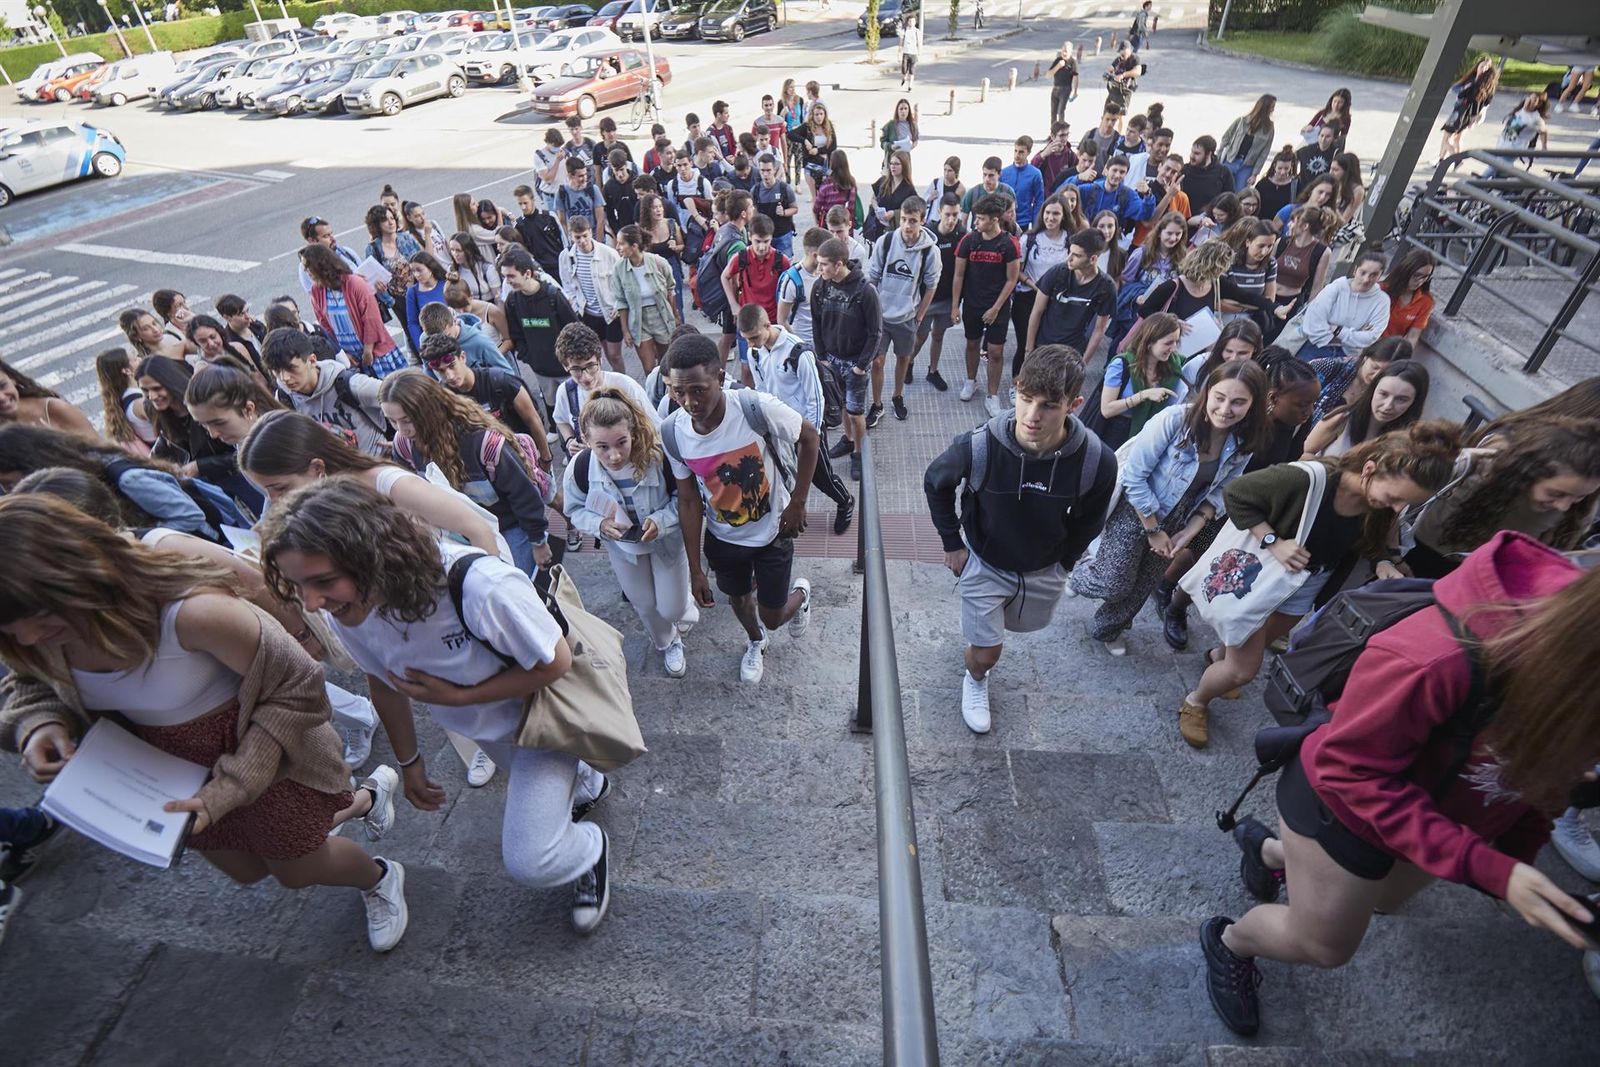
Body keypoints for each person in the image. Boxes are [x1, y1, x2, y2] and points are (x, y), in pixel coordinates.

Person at [1203, 532, 1600, 1037]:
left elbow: (1547, 773)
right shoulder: (1441, 654)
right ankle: (1231, 940)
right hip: (1346, 807)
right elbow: (1350, 770)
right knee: (1324, 945)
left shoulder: (1581, 677)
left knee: (1382, 900)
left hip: (1430, 822)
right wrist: (1490, 869)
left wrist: (1515, 857)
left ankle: (1276, 854)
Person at [0, 494, 408, 953]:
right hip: (171, 779)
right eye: (12, 629)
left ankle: (378, 877)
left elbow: (298, 689)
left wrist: (230, 788)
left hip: (262, 761)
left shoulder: (192, 611)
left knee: (298, 869)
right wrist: (37, 723)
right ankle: (365, 798)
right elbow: (29, 682)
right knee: (249, 869)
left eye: (41, 616)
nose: (30, 638)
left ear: (79, 571)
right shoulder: (31, 633)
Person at [258, 480, 612, 934]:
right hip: (491, 729)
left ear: (371, 554)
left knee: (531, 861)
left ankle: (589, 850)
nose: (312, 603)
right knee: (559, 790)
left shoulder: (478, 586)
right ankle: (586, 786)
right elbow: (383, 684)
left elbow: (556, 661)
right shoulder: (348, 610)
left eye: (324, 581)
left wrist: (458, 697)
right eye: (298, 584)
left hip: (543, 725)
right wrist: (409, 763)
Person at [1176, 420, 1460, 747]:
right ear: (1370, 469)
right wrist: (1272, 540)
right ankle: (1196, 701)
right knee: (1244, 671)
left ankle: (1218, 657)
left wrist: (1383, 560)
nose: (1396, 508)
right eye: (1394, 497)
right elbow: (1237, 493)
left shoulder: (1378, 504)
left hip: (1305, 585)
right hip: (1267, 577)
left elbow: (1373, 539)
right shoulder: (1308, 477)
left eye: (1404, 503)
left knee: (1255, 641)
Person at [924, 345, 1118, 733]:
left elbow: (1091, 518)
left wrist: (1065, 563)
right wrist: (952, 543)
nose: (1031, 415)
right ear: (1016, 389)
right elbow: (935, 481)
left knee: (1025, 626)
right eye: (1025, 398)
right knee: (988, 652)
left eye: (1048, 405)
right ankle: (976, 678)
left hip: (1043, 568)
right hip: (984, 562)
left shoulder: (1097, 461)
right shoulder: (979, 446)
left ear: (1074, 404)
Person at [1073, 361, 1268, 654]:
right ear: (1207, 392)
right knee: (1115, 582)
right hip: (1137, 508)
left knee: (1143, 584)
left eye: (1238, 402)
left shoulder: (1242, 442)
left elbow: (1221, 493)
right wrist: (1152, 529)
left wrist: (1189, 531)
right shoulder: (1174, 420)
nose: (1226, 408)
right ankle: (1082, 575)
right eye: (1220, 397)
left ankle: (1109, 628)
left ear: (1252, 405)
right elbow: (1135, 476)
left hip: (1183, 517)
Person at [660, 332, 821, 685]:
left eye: (698, 390)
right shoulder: (673, 432)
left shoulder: (755, 407)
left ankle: (801, 595)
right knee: (737, 599)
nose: (689, 402)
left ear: (719, 378)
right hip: (724, 538)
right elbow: (688, 500)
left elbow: (810, 437)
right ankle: (754, 640)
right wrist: (696, 570)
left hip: (773, 531)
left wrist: (798, 502)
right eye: (678, 391)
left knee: (774, 615)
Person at [1156, 348, 1322, 649]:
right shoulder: (1255, 430)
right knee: (1200, 556)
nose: (1308, 410)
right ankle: (1171, 598)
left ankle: (1174, 597)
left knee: (1216, 563)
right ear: (1272, 399)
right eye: (1301, 404)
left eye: (1312, 404)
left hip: (1258, 510)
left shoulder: (1298, 424)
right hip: (1227, 506)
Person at [560, 386, 698, 679]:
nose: (614, 456)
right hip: (624, 549)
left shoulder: (659, 457)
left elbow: (686, 500)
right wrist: (599, 525)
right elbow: (573, 509)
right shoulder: (580, 468)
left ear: (633, 431)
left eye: (621, 443)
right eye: (603, 447)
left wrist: (660, 521)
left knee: (673, 608)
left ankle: (682, 603)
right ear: (587, 440)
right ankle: (668, 643)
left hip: (664, 542)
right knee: (645, 605)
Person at [380, 370, 553, 577]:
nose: (401, 429)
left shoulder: (484, 443)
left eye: (407, 420)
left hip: (508, 528)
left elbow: (524, 495)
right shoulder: (403, 446)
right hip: (455, 535)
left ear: (428, 409)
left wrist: (538, 542)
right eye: (392, 421)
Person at [1403, 415, 1600, 580]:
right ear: (1530, 472)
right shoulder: (1476, 468)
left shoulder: (1580, 511)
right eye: (1555, 494)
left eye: (1578, 497)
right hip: (1422, 555)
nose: (1564, 506)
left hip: (1484, 578)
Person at [739, 304, 855, 534]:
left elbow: (816, 398)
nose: (750, 344)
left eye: (753, 337)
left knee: (822, 478)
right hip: (777, 427)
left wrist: (814, 436)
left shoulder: (799, 352)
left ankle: (845, 501)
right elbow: (761, 389)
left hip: (806, 429)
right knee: (784, 474)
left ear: (767, 325)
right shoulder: (755, 352)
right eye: (746, 339)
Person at [137, 356, 264, 519]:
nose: (152, 396)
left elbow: (242, 450)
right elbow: (166, 440)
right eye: (145, 390)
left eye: (157, 388)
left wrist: (200, 466)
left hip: (236, 472)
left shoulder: (203, 403)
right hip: (208, 482)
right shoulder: (154, 410)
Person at [812, 237, 883, 480]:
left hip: (855, 363)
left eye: (823, 264)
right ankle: (849, 439)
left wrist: (861, 367)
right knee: (842, 405)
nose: (818, 268)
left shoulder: (865, 290)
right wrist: (822, 357)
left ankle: (859, 454)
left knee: (856, 412)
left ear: (839, 264)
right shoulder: (820, 286)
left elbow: (876, 333)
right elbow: (816, 322)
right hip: (831, 360)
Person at [866, 197, 941, 424]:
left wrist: (919, 316)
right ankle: (877, 404)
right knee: (877, 362)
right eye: (905, 220)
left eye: (913, 221)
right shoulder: (886, 241)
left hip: (907, 318)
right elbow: (872, 279)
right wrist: (871, 312)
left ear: (923, 221)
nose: (908, 226)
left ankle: (897, 396)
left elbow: (931, 285)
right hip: (881, 317)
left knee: (903, 360)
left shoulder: (930, 252)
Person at [261, 327, 389, 459]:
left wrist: (401, 443)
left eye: (291, 368)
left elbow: (401, 392)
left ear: (311, 360)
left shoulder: (350, 384)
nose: (284, 378)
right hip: (340, 475)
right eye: (276, 371)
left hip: (376, 464)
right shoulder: (284, 398)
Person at [951, 195, 1023, 417]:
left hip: (997, 307)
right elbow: (959, 274)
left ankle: (992, 396)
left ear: (994, 220)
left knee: (996, 352)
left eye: (980, 219)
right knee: (971, 344)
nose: (975, 223)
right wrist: (955, 306)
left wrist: (995, 308)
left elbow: (1012, 279)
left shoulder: (1008, 244)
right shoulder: (968, 241)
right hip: (972, 304)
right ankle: (970, 381)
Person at [422, 333, 552, 457]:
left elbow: (534, 420)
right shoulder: (444, 398)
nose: (449, 375)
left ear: (462, 357)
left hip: (526, 452)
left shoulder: (499, 381)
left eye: (452, 366)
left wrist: (545, 458)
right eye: (440, 371)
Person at [552, 323, 659, 469]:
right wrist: (569, 440)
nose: (586, 377)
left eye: (590, 366)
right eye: (576, 369)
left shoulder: (625, 385)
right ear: (565, 366)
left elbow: (654, 427)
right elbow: (561, 420)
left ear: (600, 359)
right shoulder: (565, 392)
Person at [301, 244, 404, 379]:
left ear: (321, 264)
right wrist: (343, 354)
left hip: (376, 353)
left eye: (308, 266)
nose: (305, 271)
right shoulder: (317, 291)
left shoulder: (354, 283)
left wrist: (368, 349)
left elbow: (371, 318)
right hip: (351, 359)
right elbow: (324, 324)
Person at [1026, 227, 1115, 371]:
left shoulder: (1106, 286)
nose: (1069, 258)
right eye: (1069, 252)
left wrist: (1083, 363)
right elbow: (1037, 311)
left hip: (1072, 353)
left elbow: (1099, 330)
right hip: (1042, 347)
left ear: (1093, 259)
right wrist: (1028, 350)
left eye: (1076, 255)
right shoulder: (1057, 273)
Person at [1302, 360, 1429, 458]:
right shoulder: (1341, 418)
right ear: (1373, 390)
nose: (1388, 405)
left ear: (1415, 402)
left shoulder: (1409, 443)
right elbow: (1304, 454)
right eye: (1383, 394)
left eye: (1401, 399)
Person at [907, 196, 966, 393]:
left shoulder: (961, 234)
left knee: (938, 335)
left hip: (948, 298)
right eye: (948, 214)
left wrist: (956, 304)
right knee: (920, 336)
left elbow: (961, 273)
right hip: (926, 298)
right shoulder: (927, 234)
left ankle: (933, 371)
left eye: (955, 215)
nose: (951, 219)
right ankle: (908, 362)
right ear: (939, 212)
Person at [557, 217, 624, 374]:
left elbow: (623, 281)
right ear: (570, 236)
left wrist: (618, 304)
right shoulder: (566, 257)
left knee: (614, 355)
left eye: (585, 236)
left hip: (610, 313)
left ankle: (622, 382)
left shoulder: (608, 253)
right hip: (587, 314)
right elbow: (567, 285)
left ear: (591, 232)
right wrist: (574, 305)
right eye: (577, 237)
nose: (582, 241)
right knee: (596, 355)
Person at [1295, 249, 1390, 360]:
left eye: (1373, 275)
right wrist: (1355, 335)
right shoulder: (1336, 288)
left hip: (1347, 355)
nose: (1366, 279)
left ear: (1380, 276)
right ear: (1355, 270)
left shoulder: (1382, 301)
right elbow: (1313, 323)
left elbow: (1370, 337)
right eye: (1363, 273)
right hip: (1315, 347)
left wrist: (1335, 329)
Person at [611, 224, 681, 376]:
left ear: (634, 246)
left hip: (661, 315)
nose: (617, 247)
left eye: (621, 243)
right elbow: (621, 301)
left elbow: (670, 289)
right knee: (649, 368)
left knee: (666, 365)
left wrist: (675, 316)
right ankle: (653, 394)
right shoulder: (619, 268)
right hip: (638, 319)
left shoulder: (658, 262)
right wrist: (625, 331)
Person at [1306, 336, 1412, 427]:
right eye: (1374, 367)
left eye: (1384, 373)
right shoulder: (1330, 366)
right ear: (1366, 358)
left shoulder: (1386, 394)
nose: (1376, 376)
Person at [0, 358, 97, 442]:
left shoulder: (54, 409)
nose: (2, 397)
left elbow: (104, 456)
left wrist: (58, 444)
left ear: (12, 380)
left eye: (3, 385)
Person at [1271, 206, 1332, 328]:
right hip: (1270, 298)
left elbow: (1316, 287)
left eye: (1293, 221)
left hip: (1291, 302)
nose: (1289, 225)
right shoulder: (1282, 242)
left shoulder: (1322, 252)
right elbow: (1266, 270)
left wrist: (1308, 315)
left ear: (1305, 226)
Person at [417, 301, 516, 377]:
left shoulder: (479, 341)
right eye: (436, 340)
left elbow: (507, 373)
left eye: (447, 336)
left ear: (454, 321)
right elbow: (429, 370)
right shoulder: (425, 341)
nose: (443, 343)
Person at [94, 347, 157, 455]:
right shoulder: (139, 403)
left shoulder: (121, 400)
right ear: (127, 371)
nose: (141, 359)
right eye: (136, 358)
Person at [1439, 56, 1500, 161]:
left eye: (1486, 67)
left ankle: (1454, 159)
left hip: (1462, 113)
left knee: (1448, 138)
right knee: (1456, 138)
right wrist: (1465, 87)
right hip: (1462, 112)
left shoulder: (1485, 85)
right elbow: (1454, 89)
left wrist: (1477, 118)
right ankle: (1443, 159)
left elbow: (1485, 104)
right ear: (1478, 67)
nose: (1483, 69)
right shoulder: (1471, 80)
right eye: (1482, 66)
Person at [1219, 95, 1277, 193]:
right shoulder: (1242, 121)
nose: (1273, 110)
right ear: (1264, 108)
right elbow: (1226, 138)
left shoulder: (1269, 129)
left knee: (1240, 195)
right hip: (1230, 161)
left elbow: (1264, 153)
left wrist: (1255, 174)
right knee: (1222, 191)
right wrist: (1218, 158)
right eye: (1272, 107)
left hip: (1246, 167)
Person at [296, 215, 363, 294]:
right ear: (312, 240)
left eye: (331, 233)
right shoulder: (307, 267)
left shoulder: (347, 252)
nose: (333, 239)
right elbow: (318, 297)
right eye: (326, 236)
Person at [1379, 250, 1435, 344]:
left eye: (1425, 277)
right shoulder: (1381, 289)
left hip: (1388, 350)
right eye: (1417, 275)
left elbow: (1412, 337)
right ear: (1406, 270)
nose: (1420, 281)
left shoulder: (1426, 301)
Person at [753, 153, 800, 259]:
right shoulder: (755, 190)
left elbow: (795, 208)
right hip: (764, 237)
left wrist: (784, 212)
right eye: (762, 171)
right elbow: (754, 214)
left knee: (784, 266)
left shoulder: (785, 188)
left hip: (782, 235)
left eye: (768, 170)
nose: (765, 174)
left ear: (774, 170)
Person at [511, 184, 564, 279]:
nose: (523, 207)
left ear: (533, 200)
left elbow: (563, 239)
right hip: (540, 271)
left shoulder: (550, 217)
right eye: (520, 204)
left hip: (558, 265)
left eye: (525, 203)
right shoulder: (518, 226)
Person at [402, 252, 452, 353]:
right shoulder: (413, 292)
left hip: (452, 334)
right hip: (432, 343)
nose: (416, 275)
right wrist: (422, 348)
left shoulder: (446, 284)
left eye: (419, 270)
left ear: (430, 268)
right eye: (413, 271)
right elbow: (413, 323)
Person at [1001, 137, 1047, 231]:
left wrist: (1036, 225)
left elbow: (1039, 200)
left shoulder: (1035, 174)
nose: (1017, 155)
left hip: (1024, 221)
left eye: (1021, 152)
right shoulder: (1004, 172)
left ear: (1028, 152)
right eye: (1015, 151)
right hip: (1004, 220)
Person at [961, 158, 1018, 229]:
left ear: (999, 174)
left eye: (991, 175)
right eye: (984, 174)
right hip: (978, 235)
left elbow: (1012, 217)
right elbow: (963, 221)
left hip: (1002, 235)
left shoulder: (1007, 191)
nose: (987, 179)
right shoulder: (973, 193)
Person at [1492, 92, 1550, 159]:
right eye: (1529, 98)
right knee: (1497, 167)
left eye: (1533, 100)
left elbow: (1544, 131)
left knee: (1493, 168)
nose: (1529, 101)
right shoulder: (1520, 111)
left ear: (1538, 104)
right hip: (1501, 146)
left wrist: (1544, 147)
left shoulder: (1536, 118)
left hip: (1513, 150)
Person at [796, 102, 837, 197]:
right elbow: (792, 134)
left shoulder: (829, 125)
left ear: (825, 115)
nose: (819, 117)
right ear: (812, 115)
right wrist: (805, 141)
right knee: (815, 197)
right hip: (812, 165)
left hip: (827, 164)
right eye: (817, 114)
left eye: (821, 114)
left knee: (828, 194)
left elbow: (833, 146)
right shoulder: (808, 128)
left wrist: (818, 150)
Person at [119, 307, 186, 361]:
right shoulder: (150, 364)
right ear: (136, 336)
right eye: (146, 328)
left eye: (154, 323)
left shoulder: (172, 336)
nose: (155, 330)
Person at [1252, 149, 1298, 223]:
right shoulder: (1263, 184)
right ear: (1274, 166)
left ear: (1291, 167)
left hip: (1281, 224)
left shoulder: (1295, 186)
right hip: (1260, 223)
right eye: (1280, 168)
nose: (1282, 172)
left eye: (1286, 168)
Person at [923, 156, 966, 224]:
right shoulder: (936, 182)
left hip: (948, 221)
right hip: (932, 220)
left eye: (950, 171)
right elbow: (923, 199)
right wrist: (930, 198)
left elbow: (958, 208)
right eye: (945, 170)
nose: (946, 173)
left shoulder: (960, 188)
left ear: (956, 171)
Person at [1103, 40, 1140, 113]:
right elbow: (1110, 68)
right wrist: (1107, 75)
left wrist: (1123, 75)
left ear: (1128, 50)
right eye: (1120, 51)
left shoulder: (1134, 58)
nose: (1121, 54)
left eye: (1123, 51)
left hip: (1125, 90)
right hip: (1114, 89)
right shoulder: (1119, 59)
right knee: (1107, 110)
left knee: (1120, 114)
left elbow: (1137, 71)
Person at [1047, 41, 1079, 126]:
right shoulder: (1058, 60)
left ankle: (1061, 133)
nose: (1064, 53)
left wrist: (1075, 92)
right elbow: (1048, 74)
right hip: (1055, 88)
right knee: (1053, 113)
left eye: (1066, 51)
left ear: (1070, 52)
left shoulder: (1073, 62)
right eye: (1063, 50)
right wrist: (1058, 66)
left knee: (1060, 112)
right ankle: (1052, 134)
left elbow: (1076, 77)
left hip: (1065, 89)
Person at [898, 14, 921, 91]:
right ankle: (904, 77)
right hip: (906, 53)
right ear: (908, 22)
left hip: (914, 53)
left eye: (913, 21)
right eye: (910, 21)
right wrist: (899, 53)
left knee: (912, 70)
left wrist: (919, 53)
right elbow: (901, 43)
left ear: (915, 22)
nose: (911, 22)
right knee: (904, 69)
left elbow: (919, 43)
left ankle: (910, 86)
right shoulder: (904, 31)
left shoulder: (917, 31)